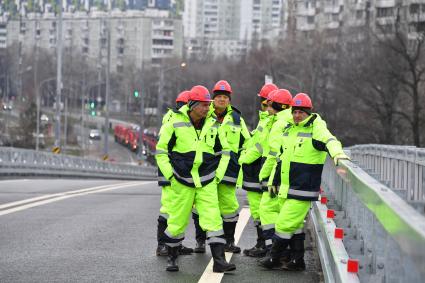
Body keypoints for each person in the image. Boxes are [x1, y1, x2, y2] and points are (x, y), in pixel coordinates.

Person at [259, 93, 349, 271]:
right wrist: (274, 180)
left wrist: (338, 155)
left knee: (284, 224)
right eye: (295, 112)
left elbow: (330, 140)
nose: (297, 115)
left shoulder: (316, 127)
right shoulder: (289, 128)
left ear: (309, 112)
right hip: (286, 187)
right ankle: (297, 261)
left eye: (301, 112)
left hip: (302, 188)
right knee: (297, 225)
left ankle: (274, 257)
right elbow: (281, 158)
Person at [155, 85, 236, 273]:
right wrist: (170, 175)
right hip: (181, 180)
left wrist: (218, 175)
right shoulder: (174, 122)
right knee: (177, 220)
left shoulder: (214, 124)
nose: (208, 108)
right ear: (192, 105)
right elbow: (161, 151)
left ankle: (219, 261)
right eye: (203, 105)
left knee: (214, 219)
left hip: (207, 180)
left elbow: (225, 152)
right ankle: (172, 259)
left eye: (208, 105)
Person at [209, 80, 251, 253]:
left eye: (225, 97)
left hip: (229, 169)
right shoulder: (205, 114)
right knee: (205, 205)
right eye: (219, 96)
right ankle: (200, 241)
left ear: (229, 100)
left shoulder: (236, 118)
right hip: (207, 168)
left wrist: (240, 160)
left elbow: (247, 142)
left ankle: (229, 241)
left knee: (229, 206)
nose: (222, 100)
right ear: (213, 98)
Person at [238, 83, 278, 257]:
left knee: (262, 210)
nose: (265, 106)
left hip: (259, 169)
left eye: (267, 103)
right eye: (263, 103)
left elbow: (261, 147)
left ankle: (265, 245)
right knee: (258, 210)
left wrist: (243, 158)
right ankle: (262, 244)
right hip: (256, 170)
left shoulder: (271, 121)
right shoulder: (265, 119)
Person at [156, 90, 193, 256]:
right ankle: (162, 245)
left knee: (177, 209)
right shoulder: (174, 119)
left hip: (174, 170)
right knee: (169, 208)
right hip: (170, 170)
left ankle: (175, 244)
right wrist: (171, 173)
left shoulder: (173, 117)